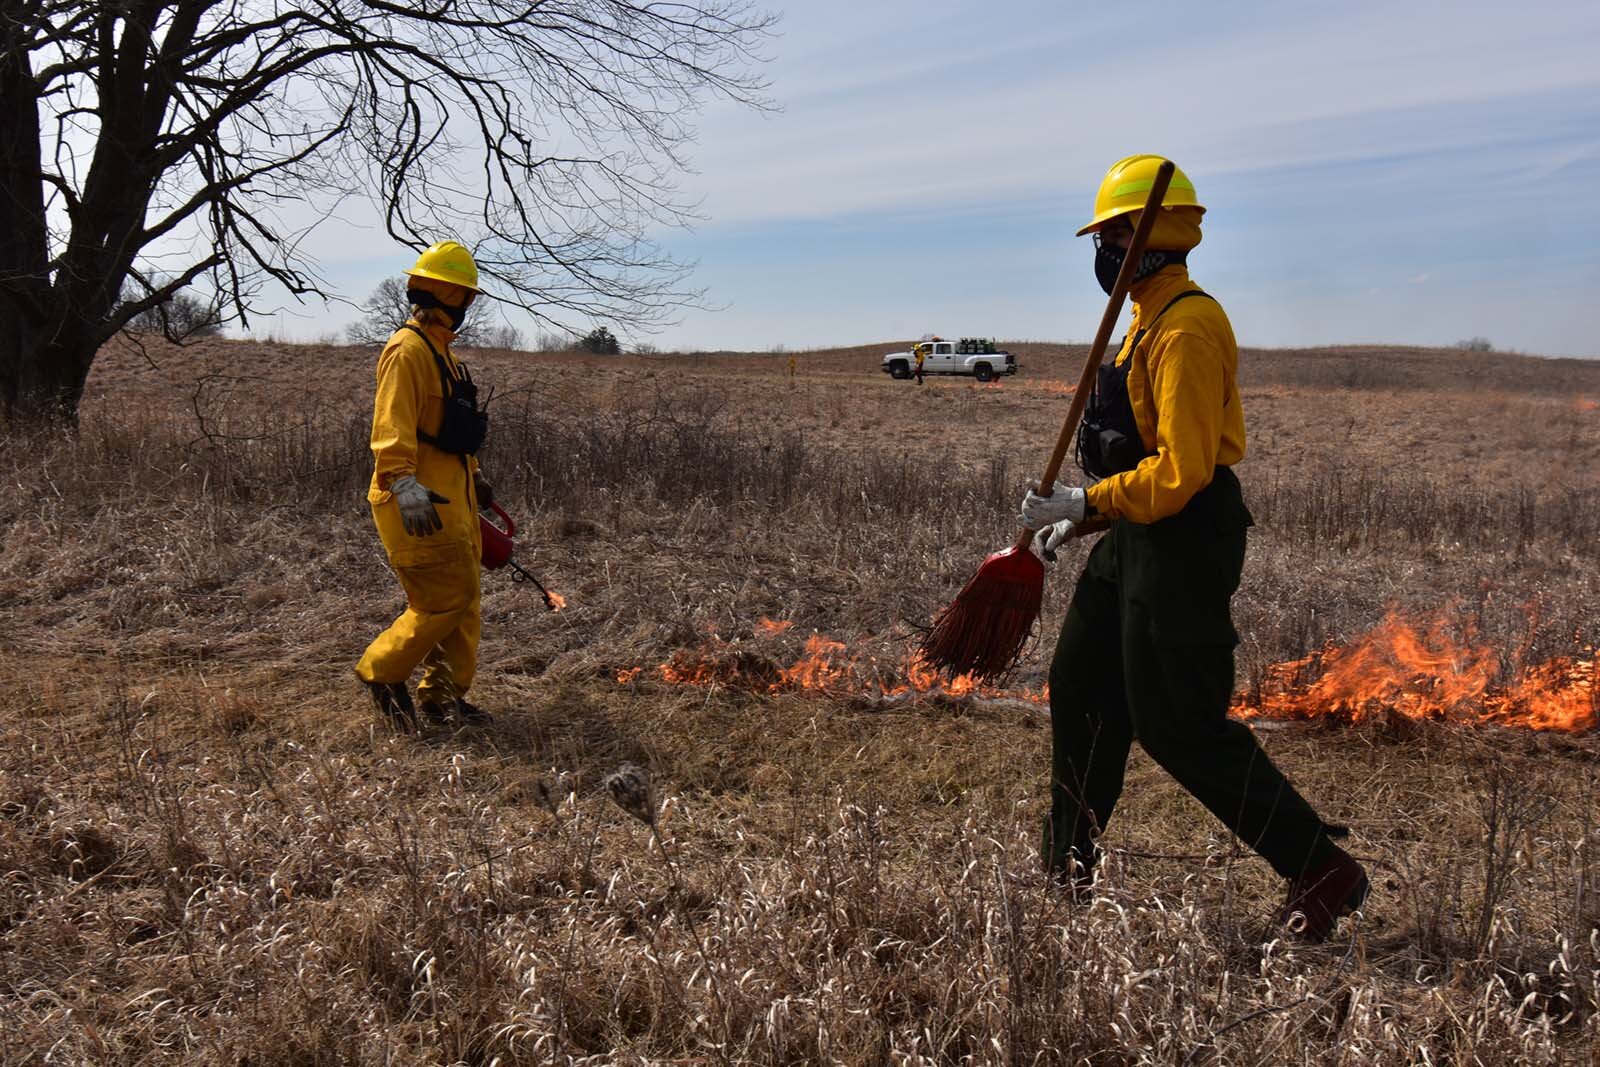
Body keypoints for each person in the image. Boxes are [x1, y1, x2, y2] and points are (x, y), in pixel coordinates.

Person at [1020, 155, 1368, 941]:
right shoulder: (1140, 320)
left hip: (1187, 538)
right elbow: (1133, 458)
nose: (1103, 248)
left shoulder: (1188, 327)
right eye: (1102, 235)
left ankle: (1319, 866)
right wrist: (1083, 518)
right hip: (1139, 532)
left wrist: (1086, 500)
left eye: (1113, 232)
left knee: (1177, 721)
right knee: (1080, 688)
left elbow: (1179, 473)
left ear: (1152, 237)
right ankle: (1065, 874)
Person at [355, 240, 495, 731]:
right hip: (415, 501)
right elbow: (390, 427)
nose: (465, 308)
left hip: (451, 499)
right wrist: (402, 483)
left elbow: (447, 430)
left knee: (465, 600)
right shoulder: (407, 351)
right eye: (461, 297)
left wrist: (475, 477)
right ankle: (381, 671)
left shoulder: (445, 357)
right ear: (440, 295)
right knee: (441, 601)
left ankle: (440, 698)